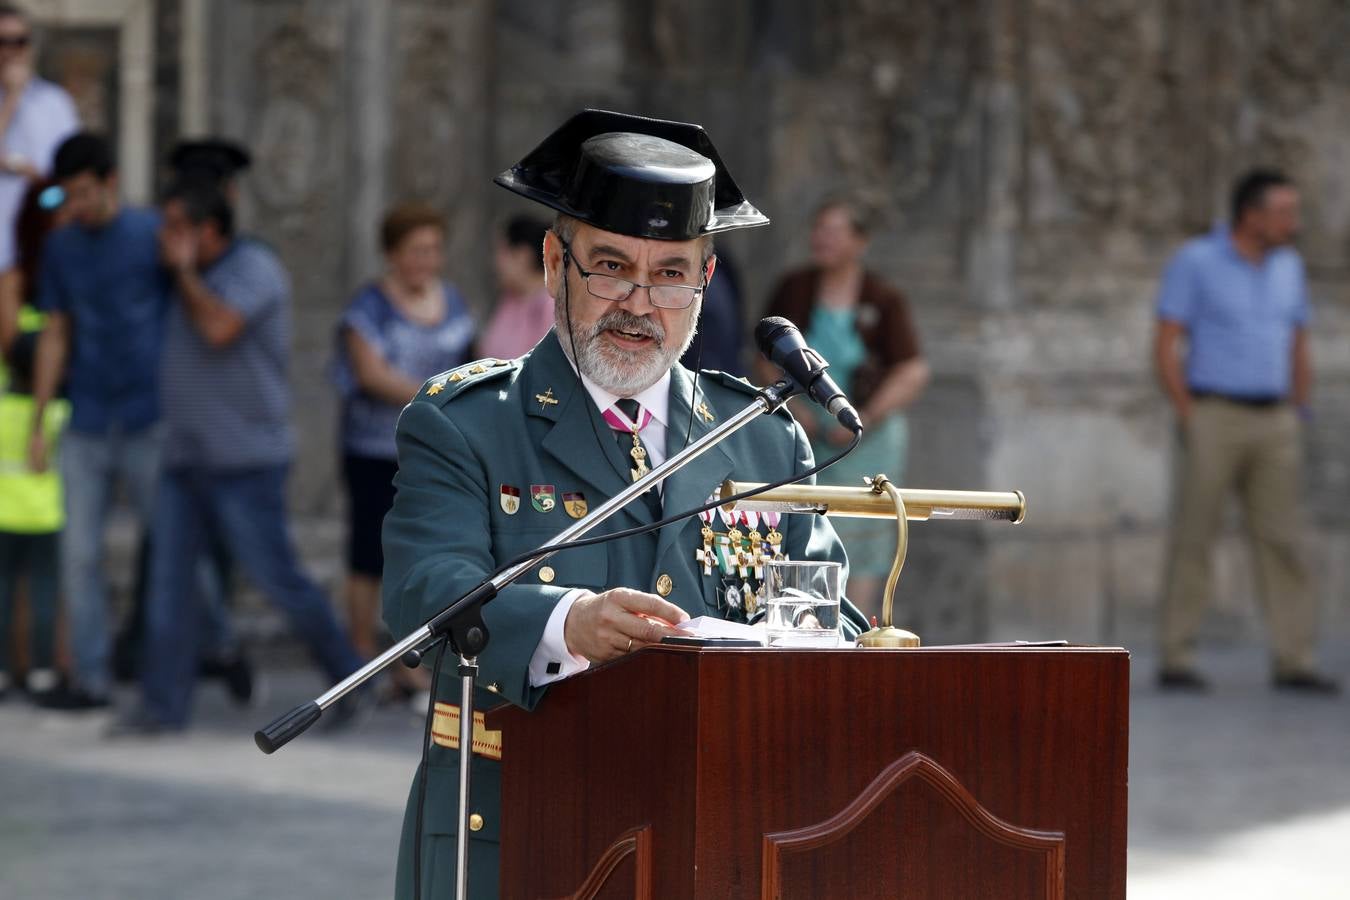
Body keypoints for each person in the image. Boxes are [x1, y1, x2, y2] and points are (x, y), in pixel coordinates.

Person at [381, 109, 867, 899]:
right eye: (610, 265)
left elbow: (825, 621)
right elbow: (419, 595)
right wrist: (564, 624)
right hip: (521, 838)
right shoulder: (466, 424)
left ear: (706, 282)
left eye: (671, 273)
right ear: (553, 262)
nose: (639, 303)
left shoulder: (763, 443)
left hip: (722, 842)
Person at [117, 178, 366, 733]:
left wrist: (182, 272)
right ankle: (162, 709)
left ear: (208, 230)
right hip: (186, 459)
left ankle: (350, 679)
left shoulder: (254, 269)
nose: (165, 238)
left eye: (177, 227)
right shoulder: (178, 276)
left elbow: (219, 327)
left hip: (245, 463)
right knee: (168, 586)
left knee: (279, 581)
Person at [1154, 168, 1338, 694]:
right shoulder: (1197, 262)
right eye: (1284, 212)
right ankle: (1176, 653)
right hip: (1215, 412)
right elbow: (1167, 339)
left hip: (1275, 418)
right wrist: (1188, 411)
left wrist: (1299, 408)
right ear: (1250, 215)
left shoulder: (1290, 267)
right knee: (1195, 535)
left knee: (1285, 541)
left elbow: (1298, 339)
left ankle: (1295, 658)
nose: (1293, 223)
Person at [28, 133, 167, 710]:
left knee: (170, 543)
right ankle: (91, 677)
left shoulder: (150, 233)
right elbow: (56, 331)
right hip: (86, 417)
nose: (77, 207)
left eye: (84, 194)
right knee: (78, 553)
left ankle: (182, 660)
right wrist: (39, 420)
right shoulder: (62, 248)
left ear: (109, 182)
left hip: (149, 416)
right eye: (68, 197)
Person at [331, 202, 475, 700]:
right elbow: (370, 373)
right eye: (416, 250)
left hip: (432, 452)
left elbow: (471, 362)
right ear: (392, 254)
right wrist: (433, 395)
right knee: (368, 555)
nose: (426, 260)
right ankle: (359, 657)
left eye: (433, 249)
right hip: (374, 449)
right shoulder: (368, 307)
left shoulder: (453, 302)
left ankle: (410, 661)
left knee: (421, 556)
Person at [761, 198, 929, 618]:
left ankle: (858, 629)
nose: (823, 239)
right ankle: (803, 626)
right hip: (805, 433)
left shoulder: (883, 298)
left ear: (860, 241)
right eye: (819, 228)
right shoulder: (794, 287)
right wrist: (798, 412)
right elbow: (764, 353)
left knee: (865, 531)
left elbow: (911, 370)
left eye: (835, 231)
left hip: (864, 439)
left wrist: (866, 418)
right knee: (801, 523)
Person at [0, 3, 79, 274]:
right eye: (2, 42)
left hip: (42, 242)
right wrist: (10, 98)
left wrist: (48, 194)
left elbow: (70, 172)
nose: (9, 51)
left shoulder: (55, 102)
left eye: (19, 42)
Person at [475, 214, 553, 359]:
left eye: (501, 252)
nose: (495, 262)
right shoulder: (510, 299)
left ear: (523, 256)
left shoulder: (550, 307)